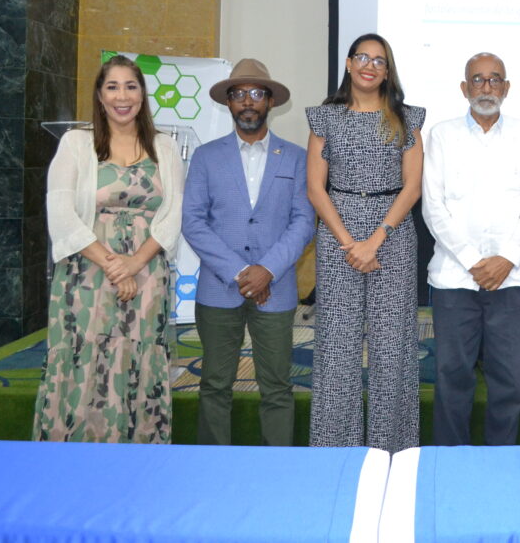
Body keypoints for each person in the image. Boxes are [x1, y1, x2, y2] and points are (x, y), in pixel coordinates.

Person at [33, 55, 183, 442]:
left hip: (147, 274)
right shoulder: (76, 143)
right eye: (112, 86)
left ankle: (139, 463)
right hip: (87, 276)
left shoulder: (164, 147)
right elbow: (61, 211)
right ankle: (76, 463)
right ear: (100, 96)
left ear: (143, 94)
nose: (122, 95)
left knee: (140, 361)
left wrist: (135, 264)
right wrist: (115, 266)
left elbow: (172, 215)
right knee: (84, 362)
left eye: (130, 86)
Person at [181, 58, 314, 446]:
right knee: (214, 383)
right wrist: (242, 272)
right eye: (239, 95)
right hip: (219, 289)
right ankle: (215, 467)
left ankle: (279, 467)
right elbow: (193, 222)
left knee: (276, 385)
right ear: (228, 103)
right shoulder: (206, 157)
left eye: (257, 93)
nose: (248, 102)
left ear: (271, 101)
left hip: (276, 288)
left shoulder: (294, 157)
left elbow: (304, 221)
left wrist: (267, 270)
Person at [306, 33, 425, 453]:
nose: (369, 66)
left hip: (391, 236)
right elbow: (316, 190)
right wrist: (349, 243)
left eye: (379, 60)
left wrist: (374, 240)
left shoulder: (407, 118)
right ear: (349, 64)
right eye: (362, 57)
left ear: (387, 70)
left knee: (392, 350)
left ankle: (390, 451)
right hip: (338, 237)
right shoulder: (326, 117)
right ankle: (334, 454)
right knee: (337, 351)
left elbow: (411, 188)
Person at [423, 53, 520, 446]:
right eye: (478, 80)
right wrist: (474, 261)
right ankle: (449, 462)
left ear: (507, 88)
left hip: (512, 279)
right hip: (455, 278)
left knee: (509, 380)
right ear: (464, 88)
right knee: (452, 377)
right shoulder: (441, 135)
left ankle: (501, 461)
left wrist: (506, 259)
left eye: (495, 80)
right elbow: (433, 206)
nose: (487, 87)